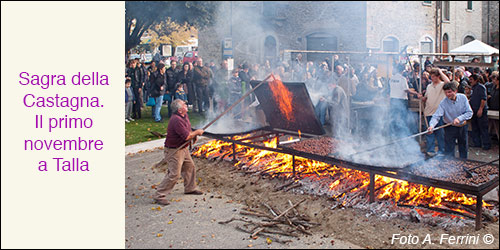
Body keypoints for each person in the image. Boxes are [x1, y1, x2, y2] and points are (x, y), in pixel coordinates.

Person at [153, 99, 205, 206]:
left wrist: (193, 136)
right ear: (180, 109)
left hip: (183, 148)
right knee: (174, 174)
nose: (186, 104)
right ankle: (159, 195)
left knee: (190, 166)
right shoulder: (176, 120)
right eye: (184, 104)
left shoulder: (184, 116)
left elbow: (188, 131)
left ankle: (190, 188)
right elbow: (186, 136)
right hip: (174, 149)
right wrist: (197, 132)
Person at [428, 82, 473, 159]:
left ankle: (463, 164)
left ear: (455, 91)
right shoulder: (443, 103)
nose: (448, 94)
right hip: (450, 127)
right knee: (449, 149)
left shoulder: (463, 98)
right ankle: (449, 166)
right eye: (446, 93)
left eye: (449, 92)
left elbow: (469, 113)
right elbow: (436, 116)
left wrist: (459, 118)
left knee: (463, 147)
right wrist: (431, 126)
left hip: (462, 126)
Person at [420, 68, 449, 156]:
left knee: (440, 133)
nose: (432, 78)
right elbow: (425, 98)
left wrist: (440, 71)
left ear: (438, 77)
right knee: (429, 133)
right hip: (428, 112)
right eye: (431, 76)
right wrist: (421, 97)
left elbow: (448, 82)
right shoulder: (429, 86)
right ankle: (430, 150)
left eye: (434, 76)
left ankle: (441, 151)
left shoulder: (442, 85)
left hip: (439, 113)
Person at [389, 64, 419, 137]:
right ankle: (402, 133)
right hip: (401, 100)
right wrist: (416, 93)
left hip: (393, 99)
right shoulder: (402, 79)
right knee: (403, 117)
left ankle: (393, 133)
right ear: (402, 70)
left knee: (393, 116)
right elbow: (406, 90)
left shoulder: (391, 78)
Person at [468, 74, 491, 150]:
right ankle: (477, 143)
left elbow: (483, 99)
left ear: (476, 80)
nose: (470, 81)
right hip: (473, 110)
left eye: (471, 79)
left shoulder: (481, 87)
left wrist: (480, 109)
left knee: (483, 128)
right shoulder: (473, 88)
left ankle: (486, 144)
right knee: (475, 128)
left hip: (480, 110)